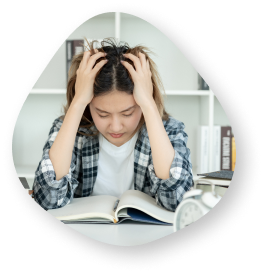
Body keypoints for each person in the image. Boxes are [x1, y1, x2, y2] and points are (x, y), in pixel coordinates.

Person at [32, 37, 193, 212]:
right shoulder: (70, 129)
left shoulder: (170, 130)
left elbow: (178, 201)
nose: (115, 127)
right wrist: (77, 102)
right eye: (102, 114)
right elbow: (46, 198)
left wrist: (149, 103)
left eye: (127, 113)